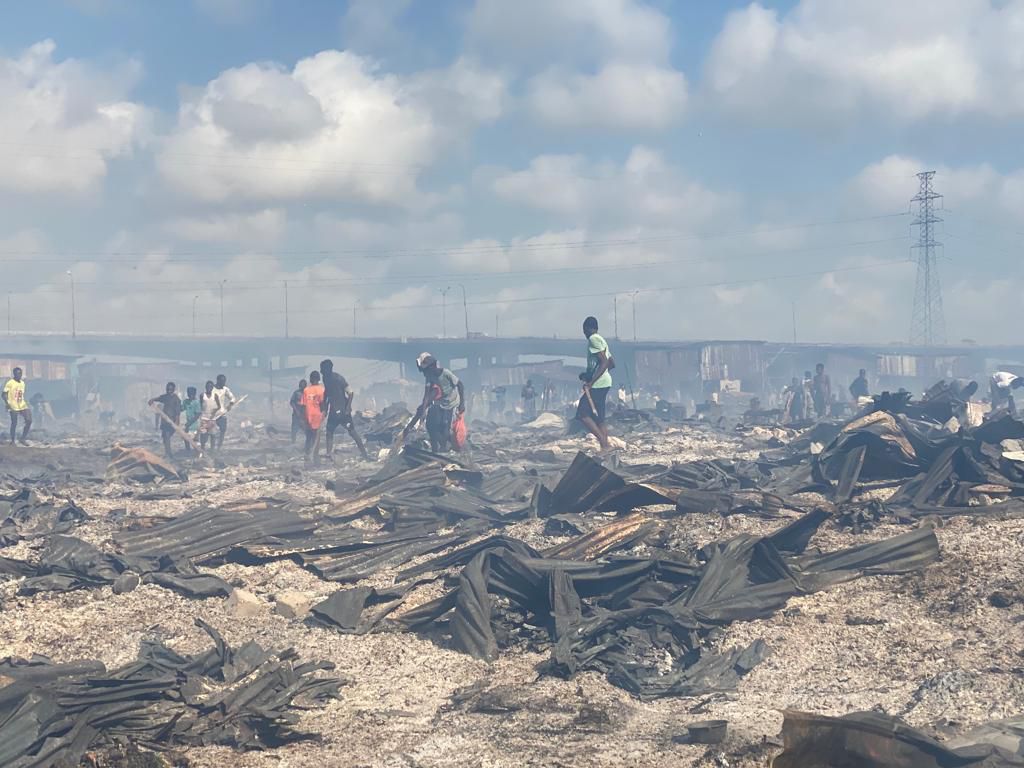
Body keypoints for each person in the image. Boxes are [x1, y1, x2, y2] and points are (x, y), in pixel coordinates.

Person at [403, 353, 465, 452]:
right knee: (432, 426)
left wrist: (462, 403)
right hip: (440, 402)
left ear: (432, 367)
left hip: (452, 403)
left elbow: (460, 385)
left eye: (426, 370)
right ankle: (436, 450)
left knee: (445, 425)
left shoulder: (446, 373)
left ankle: (444, 448)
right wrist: (423, 411)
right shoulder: (430, 377)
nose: (425, 373)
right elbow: (426, 395)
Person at [320, 359, 369, 461]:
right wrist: (325, 405)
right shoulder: (325, 378)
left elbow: (350, 393)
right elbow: (328, 392)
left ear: (328, 369)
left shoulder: (338, 378)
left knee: (352, 432)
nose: (321, 371)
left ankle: (365, 455)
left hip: (342, 412)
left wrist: (347, 408)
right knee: (329, 432)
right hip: (333, 412)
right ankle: (329, 455)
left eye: (323, 369)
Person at [577, 316, 612, 451]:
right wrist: (588, 375)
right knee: (599, 418)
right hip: (604, 382)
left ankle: (604, 444)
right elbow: (611, 362)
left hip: (598, 384)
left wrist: (592, 382)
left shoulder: (593, 339)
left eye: (584, 331)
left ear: (588, 328)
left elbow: (604, 362)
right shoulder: (603, 341)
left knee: (583, 414)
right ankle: (606, 448)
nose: (584, 334)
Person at [148, 382, 182, 459]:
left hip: (171, 421)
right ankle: (168, 453)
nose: (169, 391)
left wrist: (177, 422)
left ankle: (169, 454)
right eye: (167, 389)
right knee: (165, 437)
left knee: (167, 436)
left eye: (170, 389)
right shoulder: (166, 397)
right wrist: (152, 399)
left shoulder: (176, 399)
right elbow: (159, 398)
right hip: (164, 420)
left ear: (173, 389)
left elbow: (178, 412)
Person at [300, 370, 325, 464]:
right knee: (316, 438)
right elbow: (322, 404)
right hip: (317, 416)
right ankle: (315, 456)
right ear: (318, 379)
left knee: (308, 437)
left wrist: (303, 419)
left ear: (310, 379)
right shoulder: (322, 390)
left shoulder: (306, 390)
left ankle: (307, 455)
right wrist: (324, 414)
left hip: (308, 416)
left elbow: (303, 406)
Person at [3, 367, 31, 445]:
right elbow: (4, 394)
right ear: (14, 374)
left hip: (22, 404)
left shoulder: (22, 383)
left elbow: (21, 394)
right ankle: (12, 441)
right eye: (17, 373)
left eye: (20, 373)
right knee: (14, 423)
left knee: (29, 420)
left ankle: (22, 438)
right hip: (13, 405)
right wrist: (7, 404)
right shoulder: (10, 383)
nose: (19, 375)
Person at [212, 374, 235, 450]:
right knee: (212, 432)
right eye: (222, 381)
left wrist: (230, 405)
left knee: (222, 430)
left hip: (222, 414)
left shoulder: (225, 389)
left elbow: (232, 398)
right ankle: (212, 447)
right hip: (212, 414)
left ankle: (219, 447)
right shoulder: (212, 389)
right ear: (218, 381)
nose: (223, 383)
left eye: (224, 381)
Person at [198, 380, 219, 454]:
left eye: (210, 387)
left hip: (212, 419)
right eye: (207, 386)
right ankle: (202, 450)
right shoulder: (202, 395)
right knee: (203, 435)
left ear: (212, 388)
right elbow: (201, 405)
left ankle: (212, 450)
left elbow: (218, 406)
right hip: (204, 419)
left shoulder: (215, 396)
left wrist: (214, 411)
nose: (209, 388)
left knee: (213, 435)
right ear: (205, 387)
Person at [182, 386, 201, 453]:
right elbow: (181, 408)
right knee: (186, 438)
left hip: (194, 425)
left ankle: (198, 453)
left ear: (195, 394)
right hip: (188, 425)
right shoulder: (186, 402)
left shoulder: (196, 402)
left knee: (195, 441)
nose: (190, 395)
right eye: (189, 394)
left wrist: (189, 423)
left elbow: (197, 415)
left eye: (192, 394)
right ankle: (188, 451)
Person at [290, 379, 307, 444]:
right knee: (294, 430)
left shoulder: (307, 393)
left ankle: (308, 445)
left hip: (304, 416)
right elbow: (292, 402)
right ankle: (293, 443)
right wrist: (296, 410)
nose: (303, 386)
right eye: (301, 385)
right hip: (296, 415)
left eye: (304, 385)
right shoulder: (296, 393)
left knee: (306, 431)